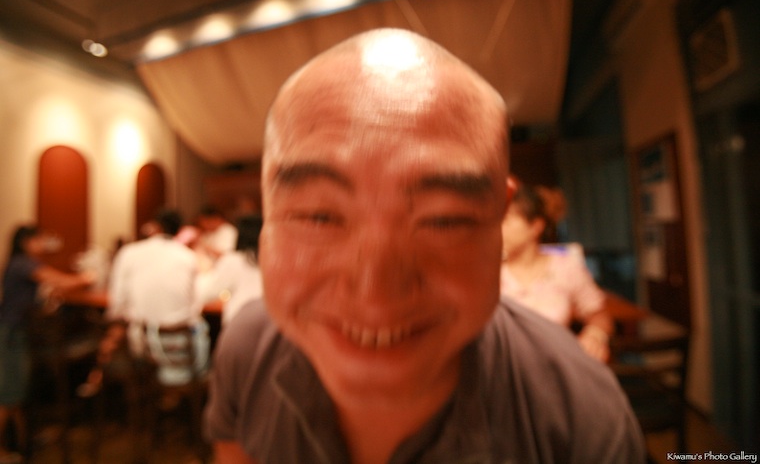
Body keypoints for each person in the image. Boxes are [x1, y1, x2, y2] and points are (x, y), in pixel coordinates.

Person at [204, 28, 645, 463]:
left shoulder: (581, 416)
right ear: (266, 210)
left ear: (500, 213)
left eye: (444, 220)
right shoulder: (247, 352)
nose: (375, 297)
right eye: (318, 216)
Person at [0, 225, 93, 463]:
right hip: (11, 335)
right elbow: (63, 282)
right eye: (40, 239)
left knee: (15, 392)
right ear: (27, 242)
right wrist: (88, 276)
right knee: (9, 394)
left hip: (16, 333)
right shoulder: (23, 263)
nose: (44, 243)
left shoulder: (20, 263)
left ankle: (21, 443)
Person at [500, 182, 614, 362]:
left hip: (555, 366)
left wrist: (595, 336)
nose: (498, 228)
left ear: (536, 226)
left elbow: (599, 315)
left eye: (505, 220)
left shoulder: (565, 267)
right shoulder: (488, 271)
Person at [105, 209, 208, 386]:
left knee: (118, 336)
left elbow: (117, 304)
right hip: (182, 350)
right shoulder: (188, 256)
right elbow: (196, 305)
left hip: (143, 348)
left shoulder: (129, 252)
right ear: (178, 231)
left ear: (154, 227)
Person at [196, 214, 264, 326]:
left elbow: (209, 293)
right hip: (268, 319)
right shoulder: (272, 260)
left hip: (238, 318)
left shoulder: (233, 260)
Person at [194, 205, 238, 270]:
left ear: (216, 219)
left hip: (224, 269)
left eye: (206, 222)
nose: (203, 225)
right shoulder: (208, 233)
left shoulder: (228, 231)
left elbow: (227, 256)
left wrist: (206, 248)